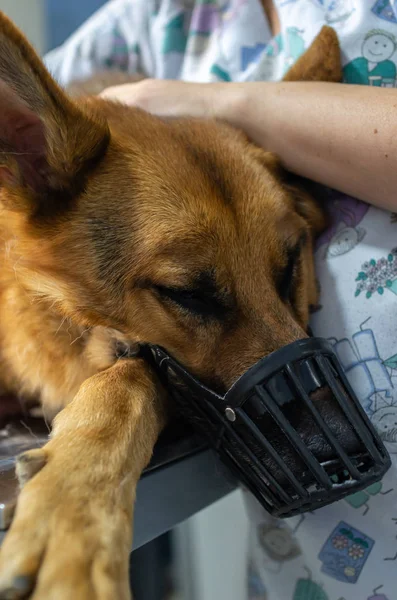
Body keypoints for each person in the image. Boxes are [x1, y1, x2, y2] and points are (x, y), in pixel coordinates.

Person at [45, 2, 397, 599]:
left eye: (289, 268)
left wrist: (223, 105)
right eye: (193, 294)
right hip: (307, 552)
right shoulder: (162, 13)